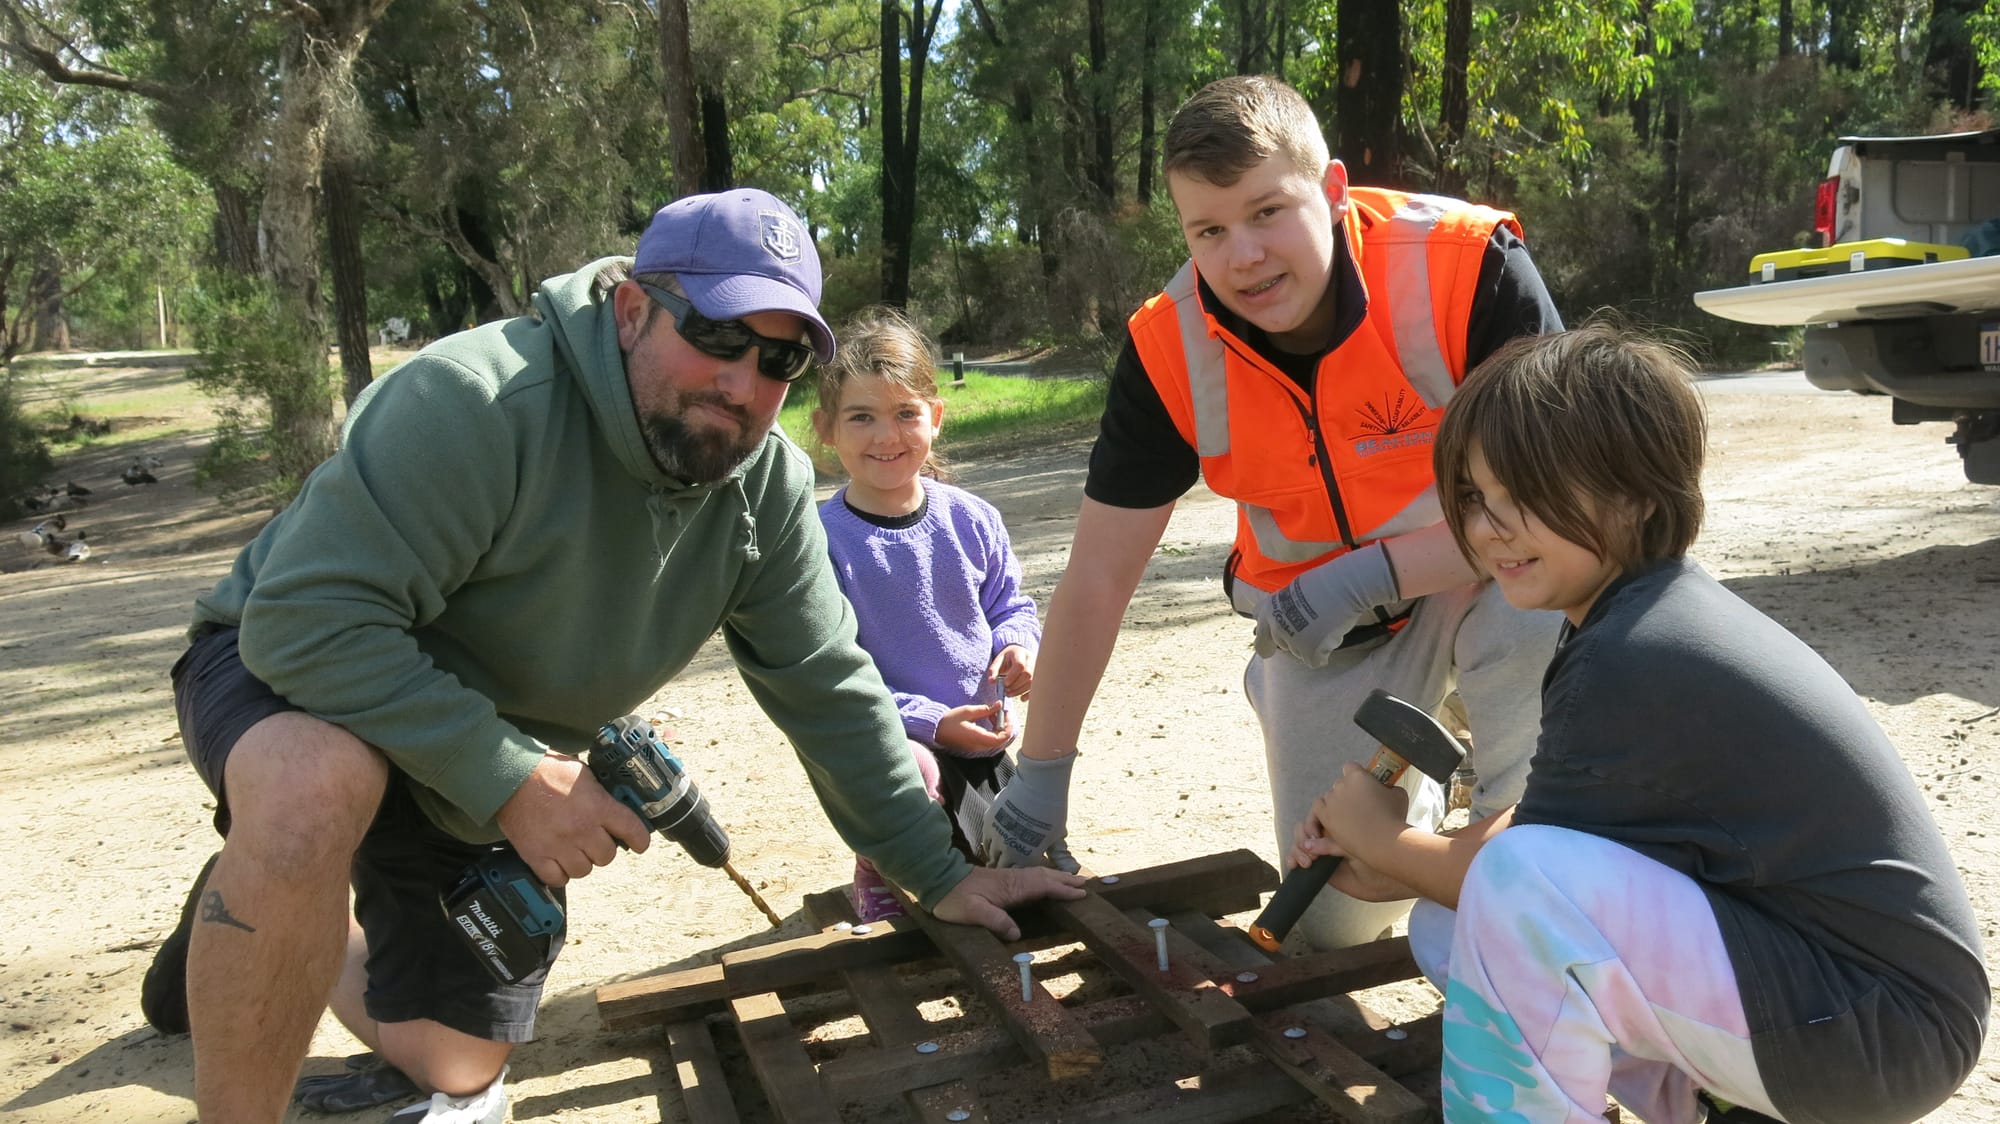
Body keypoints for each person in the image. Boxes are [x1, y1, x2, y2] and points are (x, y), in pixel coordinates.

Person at [141, 188, 1084, 1124]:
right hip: (301, 675)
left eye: (779, 359)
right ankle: (286, 866)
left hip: (476, 747)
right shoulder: (473, 400)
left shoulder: (766, 485)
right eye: (717, 335)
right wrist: (511, 778)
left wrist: (940, 874)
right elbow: (304, 623)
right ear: (632, 310)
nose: (743, 384)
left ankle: (266, 901)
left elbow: (827, 684)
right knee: (316, 784)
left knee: (457, 1063)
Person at [1291, 324, 1989, 1123]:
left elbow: (1527, 875)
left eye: (1525, 493)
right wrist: (1390, 865)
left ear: (1638, 494)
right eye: (1474, 497)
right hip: (1853, 1007)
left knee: (1515, 893)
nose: (1488, 527)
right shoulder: (1638, 614)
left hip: (1880, 1031)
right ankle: (1705, 1105)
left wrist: (1382, 838)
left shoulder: (1635, 654)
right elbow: (1547, 826)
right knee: (1454, 924)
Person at [981, 74, 1564, 950]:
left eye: (1267, 212)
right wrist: (1041, 773)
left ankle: (1518, 825)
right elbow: (1097, 576)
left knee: (1539, 624)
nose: (1243, 256)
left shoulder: (1467, 266)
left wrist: (1372, 573)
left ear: (1332, 190)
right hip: (1329, 637)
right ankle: (1409, 794)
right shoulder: (1168, 344)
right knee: (1336, 921)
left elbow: (1565, 504)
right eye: (1209, 231)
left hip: (1491, 583)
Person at [809, 307, 1042, 921]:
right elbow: (836, 676)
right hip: (895, 741)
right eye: (861, 417)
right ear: (826, 428)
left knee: (1012, 859)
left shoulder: (972, 517)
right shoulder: (821, 543)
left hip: (982, 732)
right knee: (919, 787)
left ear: (935, 418)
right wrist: (933, 723)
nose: (886, 436)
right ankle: (879, 860)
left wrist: (1018, 645)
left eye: (905, 414)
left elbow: (1011, 603)